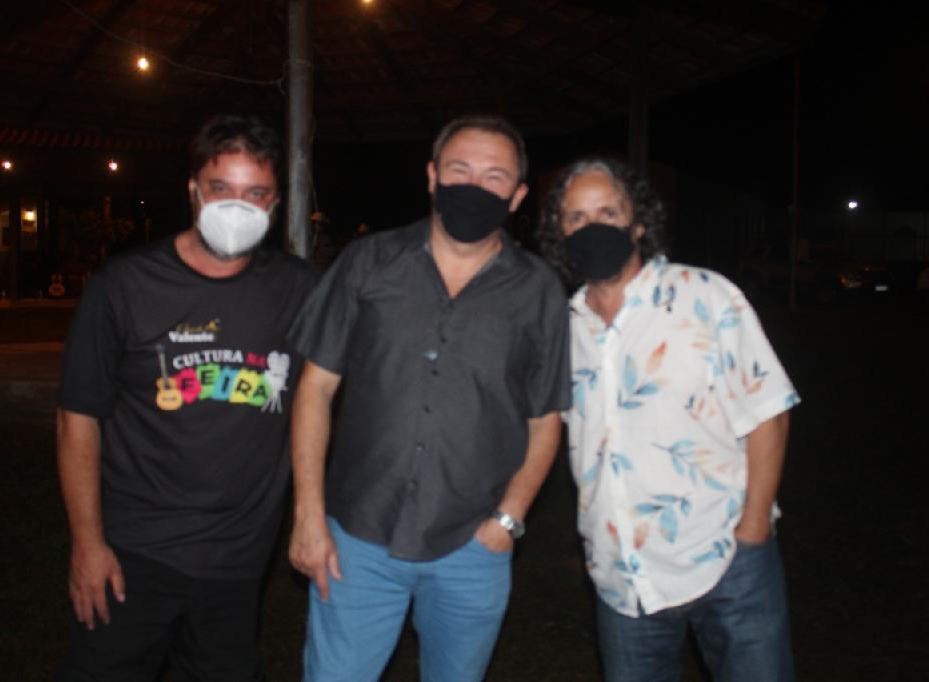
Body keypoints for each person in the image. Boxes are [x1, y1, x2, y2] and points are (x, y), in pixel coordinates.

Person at [287, 115, 571, 682]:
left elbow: (545, 419)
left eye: (494, 177)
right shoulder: (368, 262)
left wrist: (507, 522)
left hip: (472, 543)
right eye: (460, 170)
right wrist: (308, 515)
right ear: (432, 176)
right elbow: (316, 387)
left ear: (517, 196)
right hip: (358, 537)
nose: (474, 186)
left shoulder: (538, 289)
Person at [55, 114, 315, 681]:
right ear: (193, 190)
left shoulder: (299, 290)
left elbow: (333, 389)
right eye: (221, 188)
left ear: (275, 205)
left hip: (238, 555)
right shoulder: (124, 286)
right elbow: (78, 418)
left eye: (256, 193)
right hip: (133, 550)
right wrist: (87, 544)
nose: (237, 206)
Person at [538, 157, 800, 682]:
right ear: (560, 234)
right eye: (576, 217)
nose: (592, 227)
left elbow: (767, 412)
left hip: (727, 557)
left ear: (638, 223)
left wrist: (753, 529)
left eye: (608, 213)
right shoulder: (563, 328)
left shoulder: (705, 295)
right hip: (622, 578)